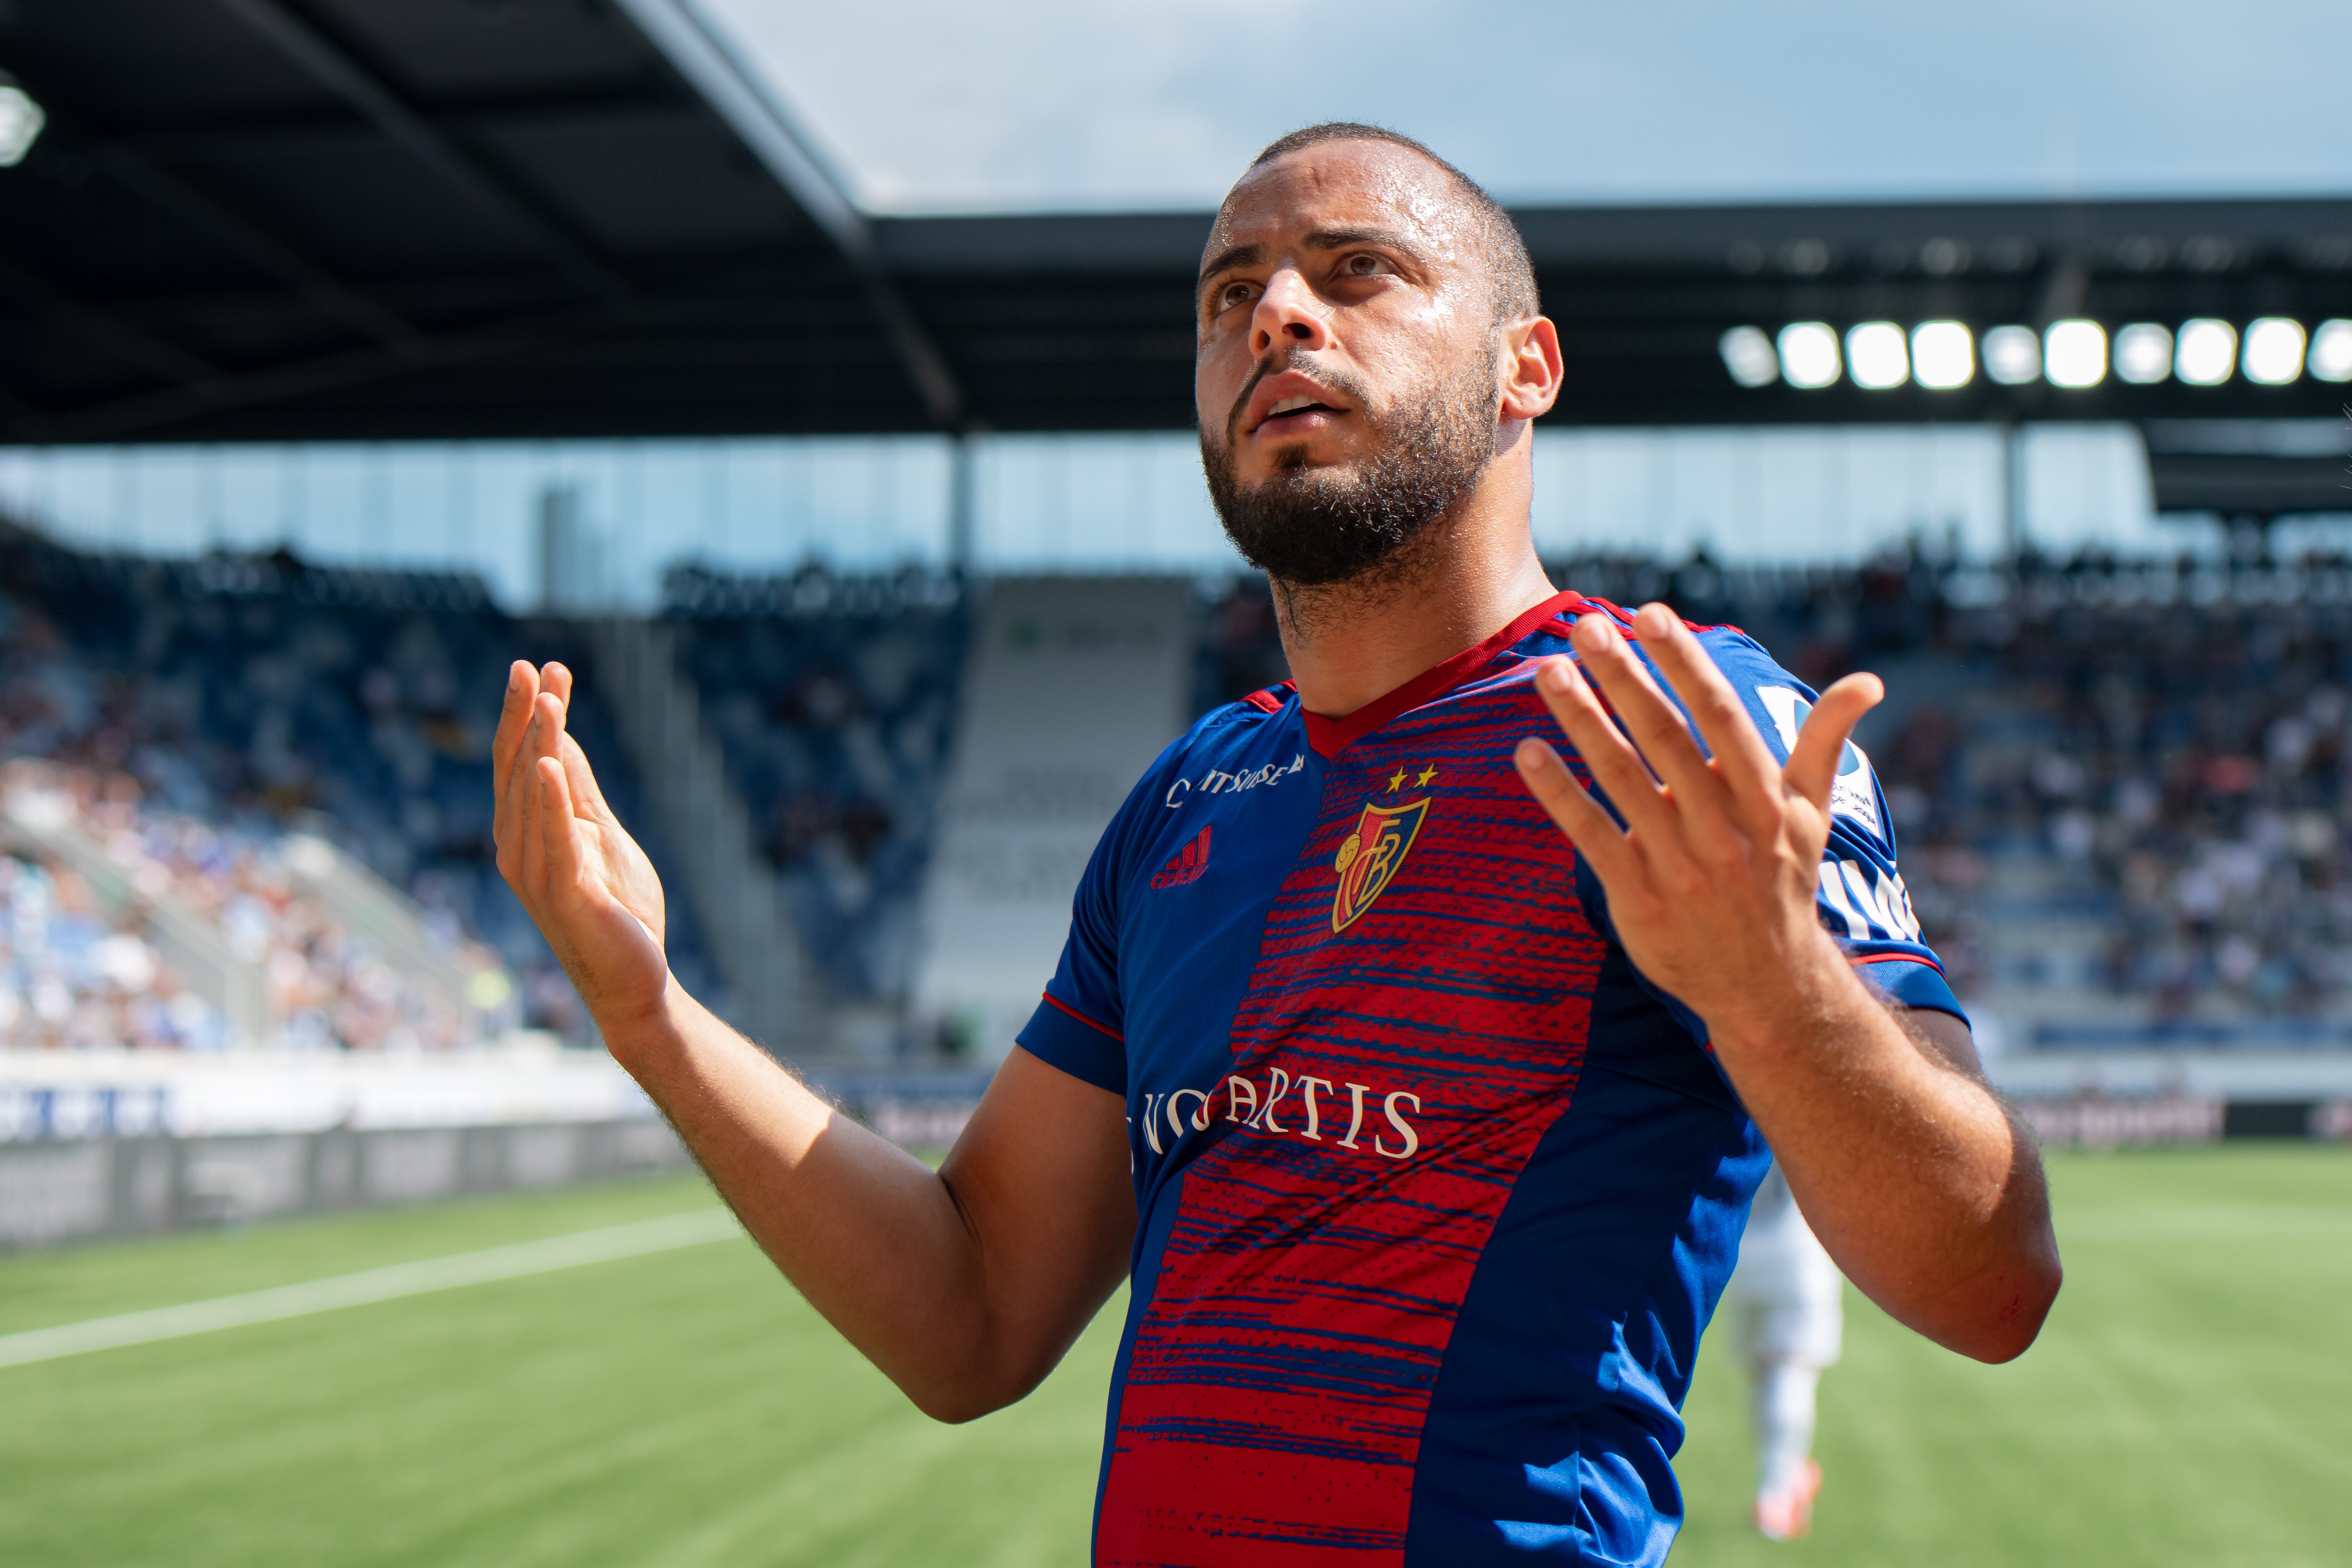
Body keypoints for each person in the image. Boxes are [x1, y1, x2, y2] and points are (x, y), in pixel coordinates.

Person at [492, 123, 2062, 1566]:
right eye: (1228, 291)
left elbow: (1989, 1285)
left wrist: (1774, 989)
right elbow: (970, 1318)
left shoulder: (1669, 719)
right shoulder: (1190, 796)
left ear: (1524, 367)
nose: (1275, 315)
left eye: (1356, 271)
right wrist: (649, 1011)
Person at [1727, 1161, 1843, 1541]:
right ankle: (1776, 1494)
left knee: (1764, 1369)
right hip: (1795, 1245)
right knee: (1792, 1366)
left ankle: (1787, 1474)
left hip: (1739, 1244)